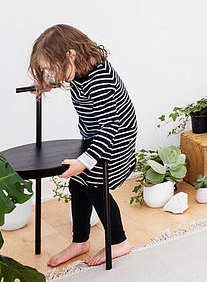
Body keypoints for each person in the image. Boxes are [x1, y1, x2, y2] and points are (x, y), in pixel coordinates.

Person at [28, 24, 138, 267]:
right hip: (96, 135)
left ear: (70, 55)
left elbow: (111, 126)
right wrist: (45, 84)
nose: (51, 74)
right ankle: (80, 241)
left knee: (96, 185)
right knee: (78, 184)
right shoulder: (79, 70)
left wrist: (85, 161)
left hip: (115, 139)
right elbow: (62, 78)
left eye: (51, 68)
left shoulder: (99, 80)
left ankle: (119, 241)